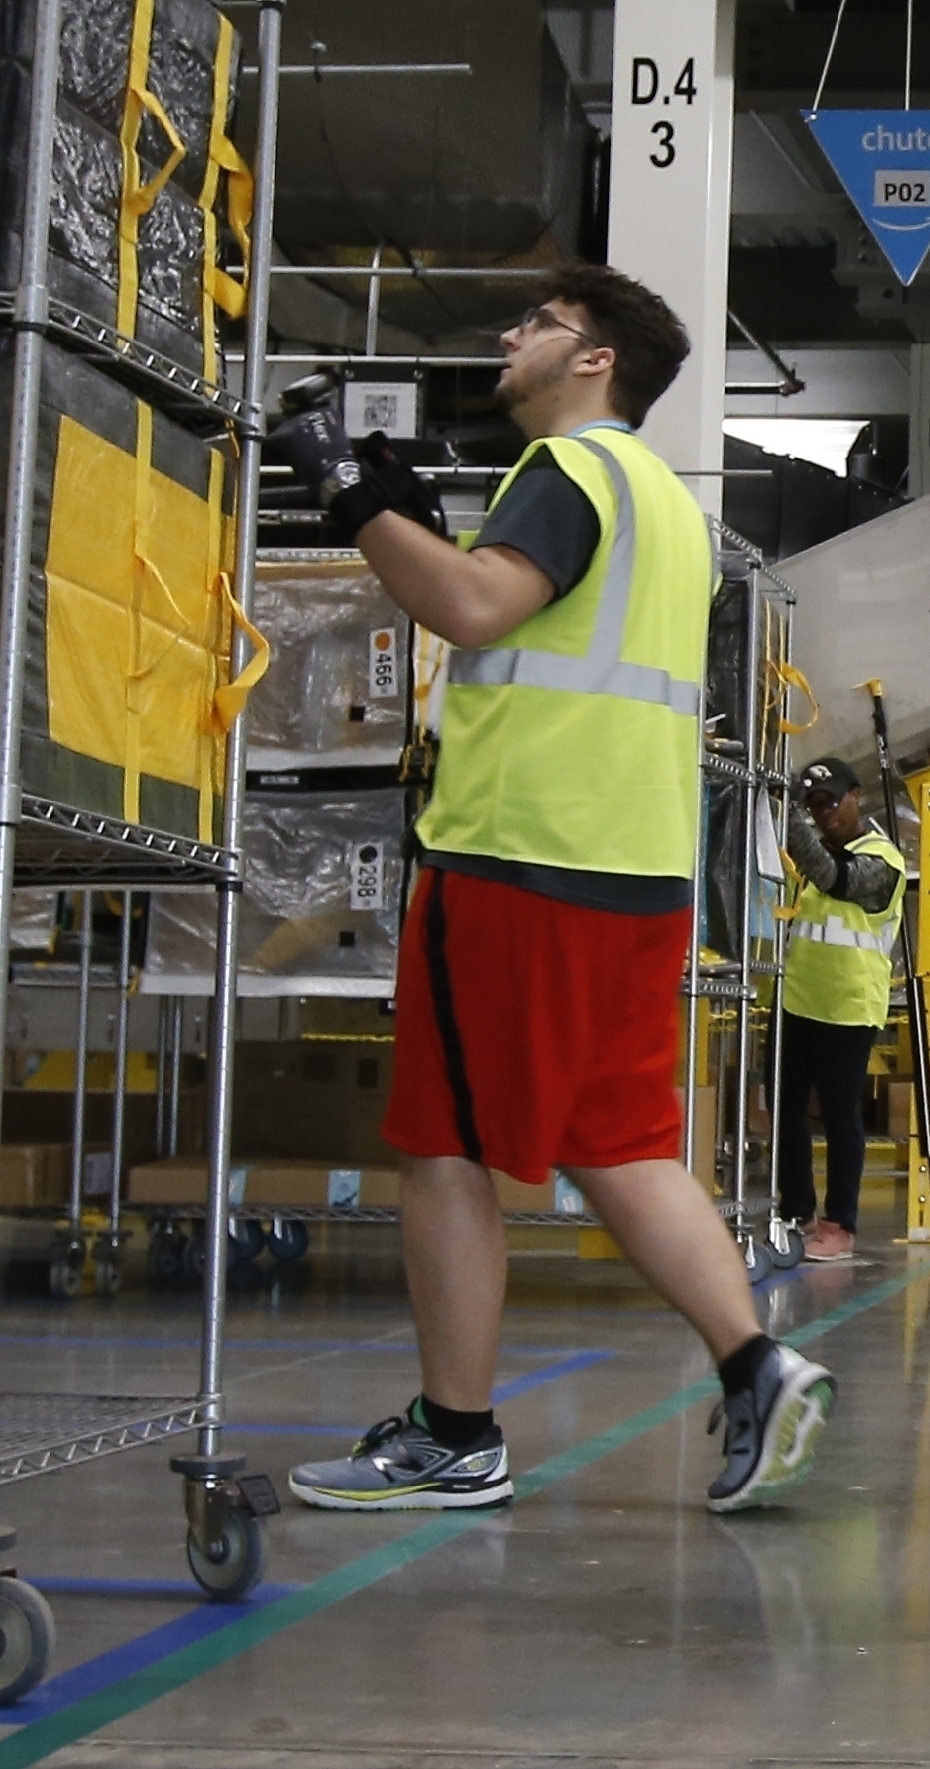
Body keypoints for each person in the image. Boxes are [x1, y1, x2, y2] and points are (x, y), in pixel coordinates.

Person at [265, 267, 835, 1512]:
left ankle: (454, 1435)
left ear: (594, 360)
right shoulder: (663, 505)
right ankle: (757, 1364)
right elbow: (527, 612)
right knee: (621, 1143)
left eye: (539, 324)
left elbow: (474, 609)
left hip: (520, 857)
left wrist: (347, 491)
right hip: (633, 868)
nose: (509, 334)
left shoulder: (570, 471)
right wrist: (414, 525)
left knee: (445, 1145)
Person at [775, 757, 907, 1262]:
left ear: (856, 794)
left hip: (850, 1009)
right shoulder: (809, 858)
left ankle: (840, 1224)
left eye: (830, 800)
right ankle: (797, 1211)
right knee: (785, 1110)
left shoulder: (882, 861)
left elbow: (835, 879)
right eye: (813, 805)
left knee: (840, 1117)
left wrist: (786, 808)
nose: (823, 812)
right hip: (797, 1000)